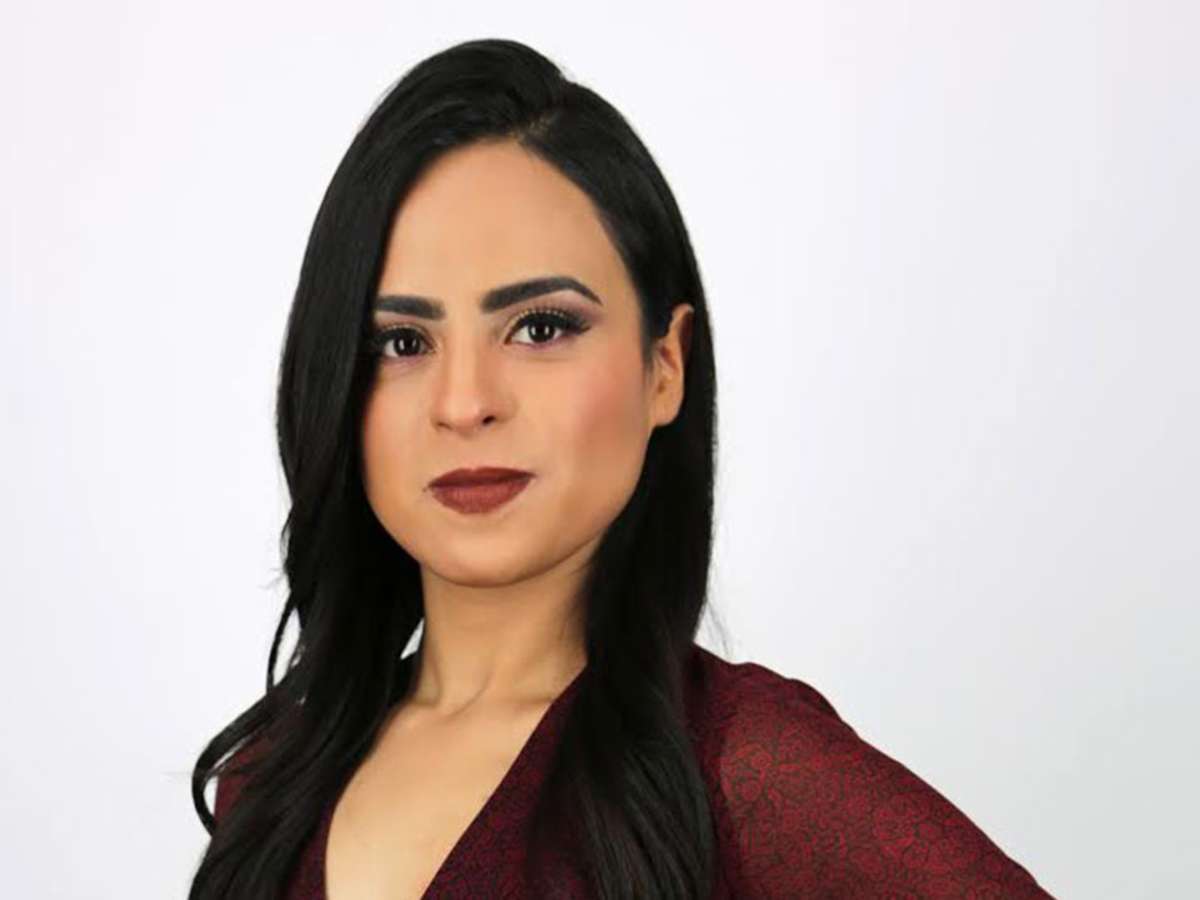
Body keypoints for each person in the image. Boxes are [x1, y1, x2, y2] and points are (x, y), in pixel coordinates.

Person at [189, 38, 1054, 899]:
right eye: (402, 342)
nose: (464, 403)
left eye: (540, 328)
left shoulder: (744, 772)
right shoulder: (268, 782)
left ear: (665, 366)